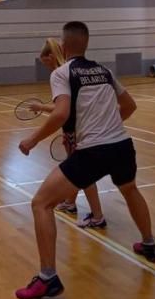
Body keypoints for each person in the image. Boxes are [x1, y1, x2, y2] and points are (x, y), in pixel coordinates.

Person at [15, 21, 155, 299]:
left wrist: (32, 140)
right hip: (122, 146)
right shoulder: (104, 71)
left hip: (93, 151)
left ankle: (47, 278)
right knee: (130, 190)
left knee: (41, 203)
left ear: (64, 46)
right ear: (87, 43)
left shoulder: (62, 73)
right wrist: (108, 127)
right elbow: (129, 106)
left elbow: (60, 113)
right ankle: (149, 244)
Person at [30, 38, 107, 229]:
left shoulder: (60, 74)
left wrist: (41, 108)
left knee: (84, 173)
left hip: (77, 131)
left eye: (45, 62)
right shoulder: (71, 72)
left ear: (50, 56)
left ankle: (98, 216)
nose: (46, 66)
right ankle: (70, 203)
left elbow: (62, 111)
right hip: (77, 129)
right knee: (75, 169)